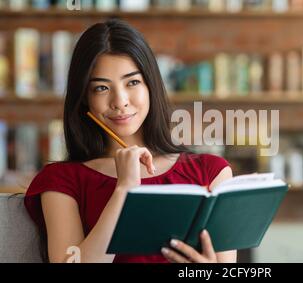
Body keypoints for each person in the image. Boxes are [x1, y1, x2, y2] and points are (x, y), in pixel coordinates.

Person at [24, 19, 236, 263]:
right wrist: (124, 191)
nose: (120, 101)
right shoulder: (62, 180)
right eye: (101, 88)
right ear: (85, 99)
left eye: (132, 82)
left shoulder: (211, 172)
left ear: (150, 86)